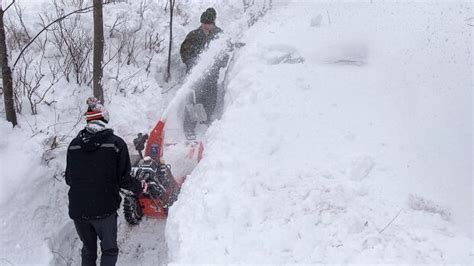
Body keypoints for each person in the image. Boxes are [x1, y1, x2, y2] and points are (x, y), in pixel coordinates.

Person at [65, 97, 146, 266]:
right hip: (104, 210)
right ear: (105, 118)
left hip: (79, 211)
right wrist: (140, 187)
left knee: (88, 251)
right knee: (109, 251)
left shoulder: (73, 145)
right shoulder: (116, 144)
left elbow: (69, 178)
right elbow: (124, 179)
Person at [180, 9, 228, 138]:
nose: (205, 26)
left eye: (208, 23)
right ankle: (189, 129)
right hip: (195, 78)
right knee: (192, 102)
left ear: (213, 23)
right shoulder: (193, 35)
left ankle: (205, 128)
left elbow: (224, 54)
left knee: (209, 102)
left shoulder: (219, 35)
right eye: (203, 23)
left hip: (211, 77)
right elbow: (184, 52)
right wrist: (192, 65)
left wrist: (219, 64)